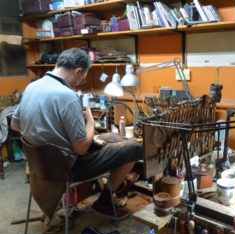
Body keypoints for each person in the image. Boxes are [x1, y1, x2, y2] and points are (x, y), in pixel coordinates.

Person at [11, 48, 143, 223]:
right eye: (82, 78)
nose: (80, 82)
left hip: (42, 166)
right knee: (134, 147)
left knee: (114, 137)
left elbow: (15, 125)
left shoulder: (32, 87)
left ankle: (111, 190)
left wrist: (51, 131)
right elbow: (81, 149)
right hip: (67, 169)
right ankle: (104, 201)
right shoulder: (68, 96)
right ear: (78, 71)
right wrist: (89, 118)